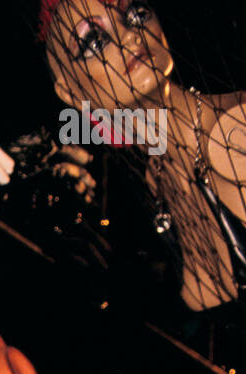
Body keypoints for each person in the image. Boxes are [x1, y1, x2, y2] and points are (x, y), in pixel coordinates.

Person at [40, 0, 246, 312]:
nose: (129, 35)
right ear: (70, 93)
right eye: (95, 41)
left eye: (136, 13)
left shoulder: (234, 130)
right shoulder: (158, 178)